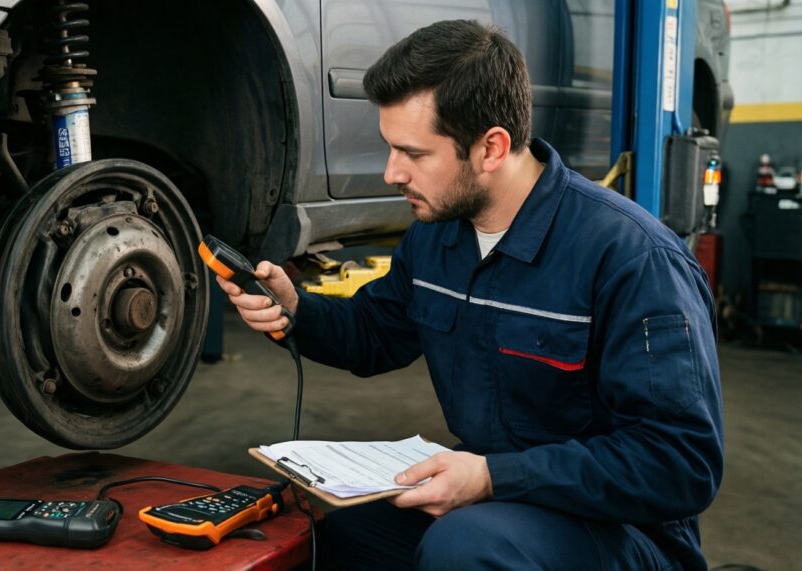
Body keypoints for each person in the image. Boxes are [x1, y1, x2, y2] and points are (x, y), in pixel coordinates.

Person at [217, 19, 722, 571]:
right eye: (389, 149)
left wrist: (491, 476)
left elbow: (680, 463)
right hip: (505, 493)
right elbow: (376, 333)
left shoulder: (633, 258)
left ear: (491, 148)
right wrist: (296, 308)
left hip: (623, 530)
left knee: (465, 547)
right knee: (341, 534)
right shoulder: (438, 236)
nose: (391, 173)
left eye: (413, 153)